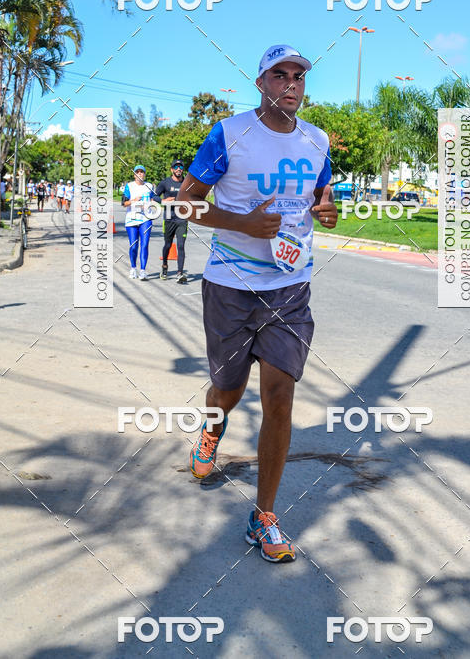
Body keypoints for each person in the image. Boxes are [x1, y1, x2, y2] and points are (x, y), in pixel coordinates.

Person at [181, 44, 338, 563]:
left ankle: (264, 516)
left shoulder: (317, 141)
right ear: (261, 82)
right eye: (280, 75)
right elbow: (185, 203)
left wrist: (327, 208)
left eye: (299, 76)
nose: (291, 84)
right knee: (228, 390)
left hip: (291, 287)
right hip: (230, 284)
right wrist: (242, 224)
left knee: (279, 395)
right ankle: (210, 433)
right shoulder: (229, 134)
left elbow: (320, 195)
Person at [121, 165, 159, 280]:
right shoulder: (129, 186)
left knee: (145, 244)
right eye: (137, 172)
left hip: (146, 219)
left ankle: (143, 270)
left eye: (142, 172)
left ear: (144, 174)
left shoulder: (149, 186)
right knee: (133, 246)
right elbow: (124, 203)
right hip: (132, 219)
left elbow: (153, 199)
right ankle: (133, 268)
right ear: (134, 175)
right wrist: (134, 200)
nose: (140, 174)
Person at [155, 159, 188, 282]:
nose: (178, 169)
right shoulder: (165, 183)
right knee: (168, 245)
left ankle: (180, 273)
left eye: (180, 167)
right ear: (172, 169)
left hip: (182, 218)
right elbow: (154, 196)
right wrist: (163, 201)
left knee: (181, 245)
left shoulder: (187, 183)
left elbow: (194, 195)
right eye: (176, 167)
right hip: (169, 217)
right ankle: (164, 266)